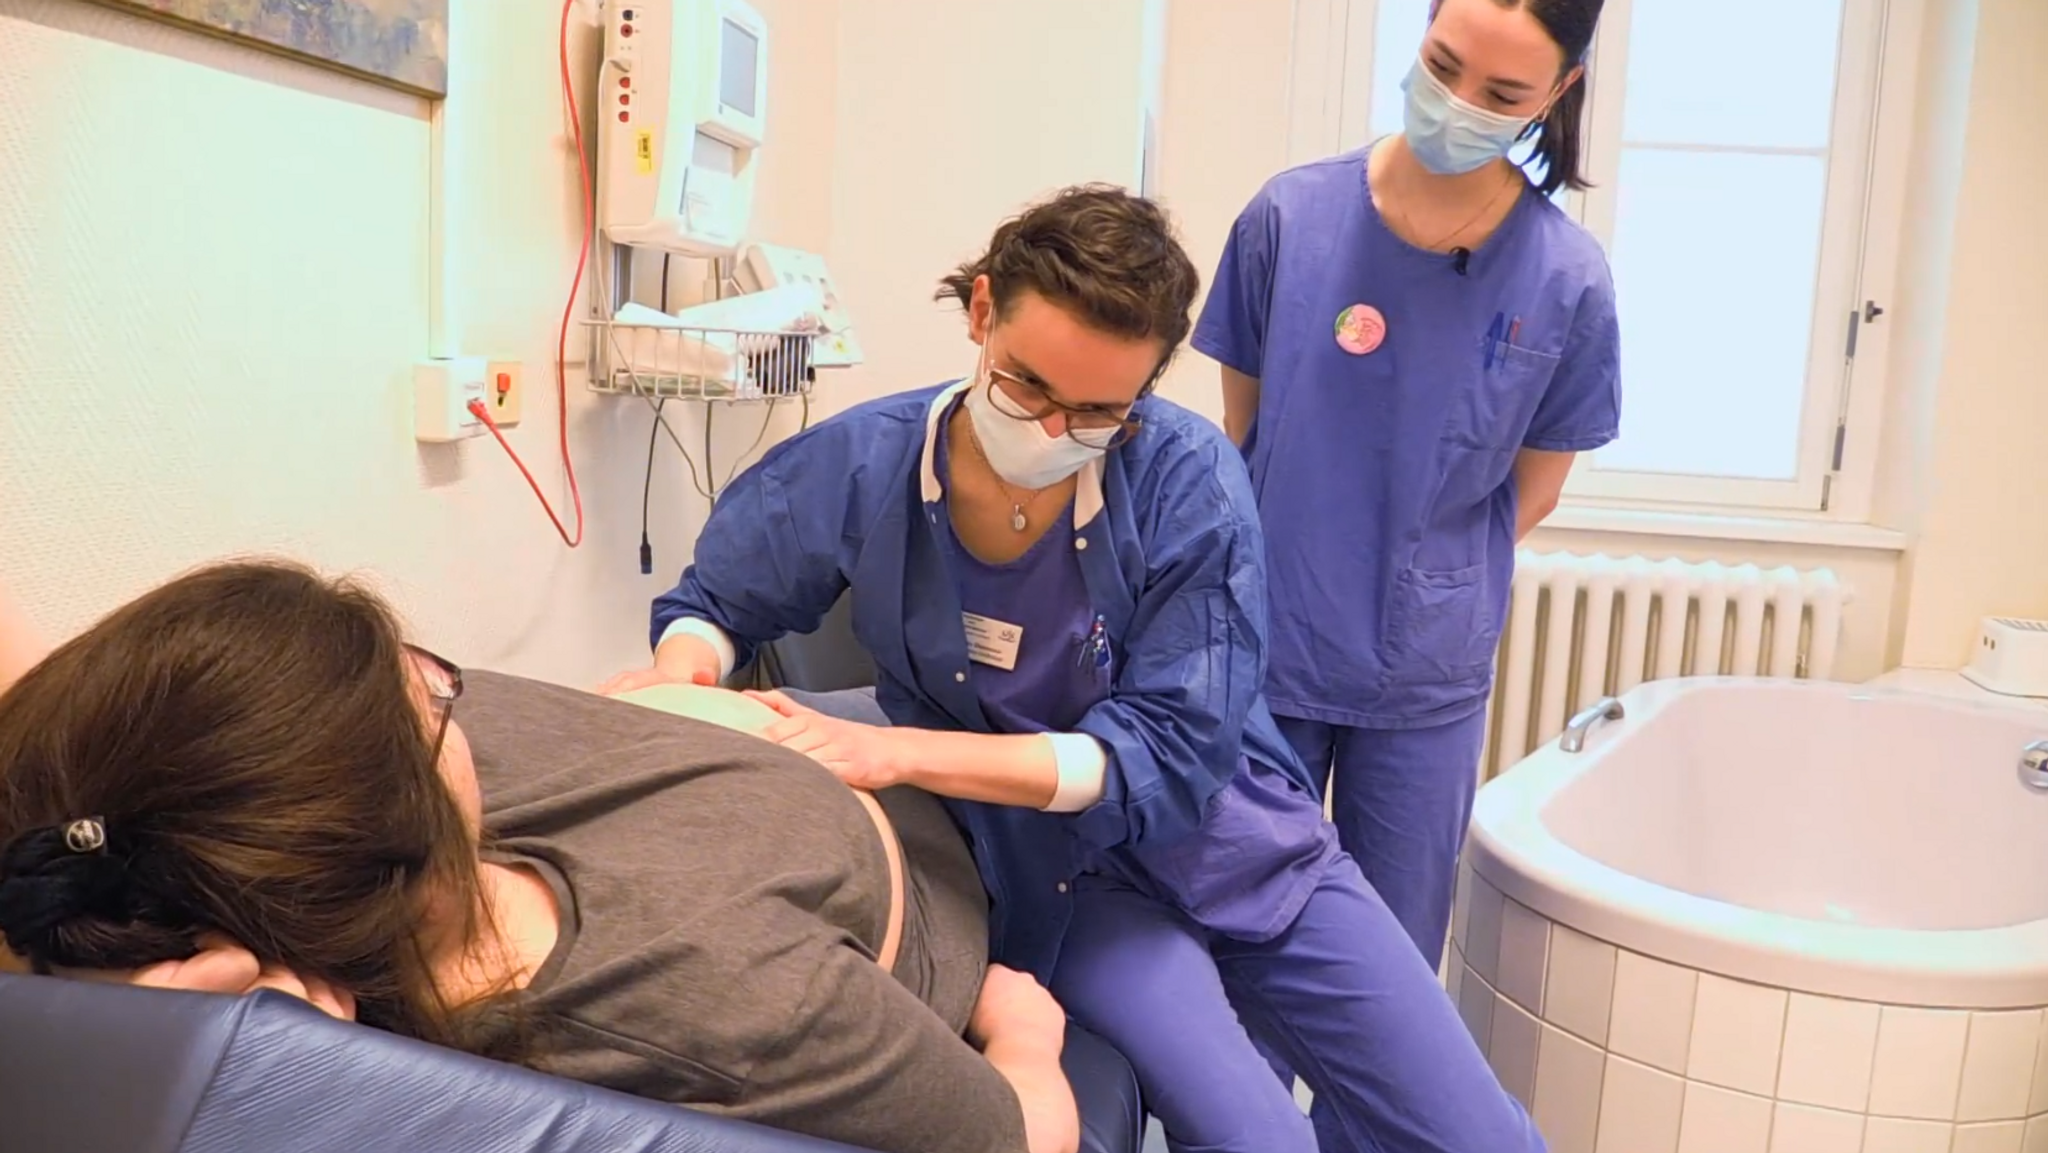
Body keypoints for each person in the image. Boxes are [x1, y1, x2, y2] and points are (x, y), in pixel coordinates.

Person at [602, 186, 1542, 1153]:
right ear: (981, 312)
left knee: (1482, 1136)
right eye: (1027, 388)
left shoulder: (1186, 478)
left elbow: (1165, 753)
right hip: (1068, 882)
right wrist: (684, 682)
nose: (1053, 431)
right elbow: (718, 603)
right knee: (1260, 1137)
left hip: (1241, 845)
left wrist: (895, 754)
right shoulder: (863, 463)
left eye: (1098, 411)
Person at [0, 561, 1079, 1153]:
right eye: (424, 695)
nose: (441, 683)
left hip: (758, 735)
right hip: (931, 848)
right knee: (1047, 722)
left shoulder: (174, 831)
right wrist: (1024, 1037)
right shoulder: (738, 1008)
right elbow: (1018, 1143)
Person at [1194, 0, 1621, 967]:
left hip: (1425, 673)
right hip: (1273, 645)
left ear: (1558, 93)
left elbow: (1537, 486)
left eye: (1502, 92)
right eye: (1443, 64)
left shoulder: (1567, 276)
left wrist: (1429, 576)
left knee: (1388, 968)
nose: (1458, 102)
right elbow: (1249, 424)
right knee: (1243, 944)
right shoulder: (1289, 217)